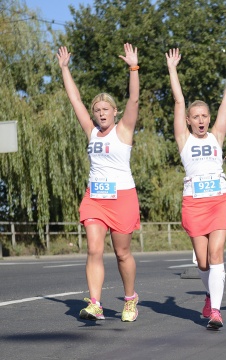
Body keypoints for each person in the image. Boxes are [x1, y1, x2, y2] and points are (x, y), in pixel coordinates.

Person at [57, 44, 141, 322]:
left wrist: (133, 68)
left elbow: (134, 100)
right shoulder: (91, 131)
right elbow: (75, 101)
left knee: (122, 253)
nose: (101, 113)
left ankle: (130, 300)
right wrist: (65, 69)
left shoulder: (124, 129)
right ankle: (95, 303)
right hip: (94, 197)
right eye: (97, 110)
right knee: (94, 248)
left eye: (106, 109)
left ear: (115, 112)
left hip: (123, 197)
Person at [166, 48, 226, 330]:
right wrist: (173, 68)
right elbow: (178, 99)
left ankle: (216, 312)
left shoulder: (216, 136)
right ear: (188, 120)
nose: (200, 120)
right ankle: (209, 294)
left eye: (204, 116)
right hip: (194, 203)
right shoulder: (183, 139)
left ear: (209, 119)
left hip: (219, 200)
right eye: (195, 116)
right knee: (202, 261)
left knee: (217, 253)